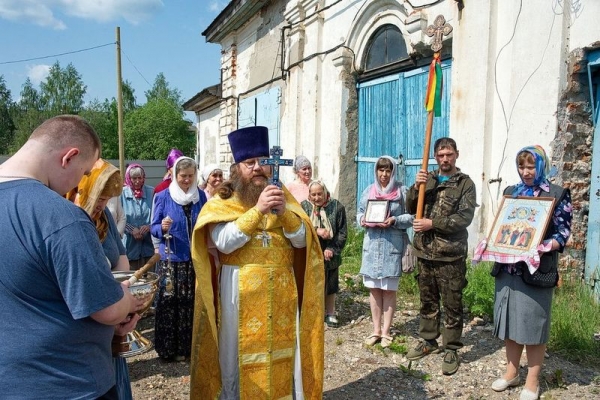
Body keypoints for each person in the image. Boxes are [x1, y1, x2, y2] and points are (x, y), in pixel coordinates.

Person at [0, 115, 145, 399]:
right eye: (84, 172)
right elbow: (106, 308)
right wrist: (126, 300)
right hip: (67, 381)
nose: (78, 184)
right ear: (69, 157)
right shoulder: (60, 216)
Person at [190, 126, 324, 399]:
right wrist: (258, 210)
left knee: (286, 354)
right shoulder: (224, 200)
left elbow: (302, 242)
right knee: (234, 355)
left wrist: (284, 214)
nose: (257, 168)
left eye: (262, 161)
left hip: (282, 294)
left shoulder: (283, 196)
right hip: (237, 294)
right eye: (249, 163)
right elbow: (224, 242)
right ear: (237, 168)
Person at [489, 146, 572, 400]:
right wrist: (492, 240)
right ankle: (511, 372)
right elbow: (503, 226)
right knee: (510, 323)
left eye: (531, 166)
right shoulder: (511, 193)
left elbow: (563, 232)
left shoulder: (556, 195)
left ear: (541, 166)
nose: (526, 172)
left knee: (534, 325)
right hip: (508, 269)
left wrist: (545, 245)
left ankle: (533, 381)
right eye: (522, 166)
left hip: (536, 271)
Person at [405, 137, 477, 375]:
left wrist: (432, 223)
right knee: (427, 301)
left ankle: (452, 347)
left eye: (449, 154)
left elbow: (464, 218)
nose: (445, 159)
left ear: (457, 154)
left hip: (450, 255)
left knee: (452, 303)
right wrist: (416, 188)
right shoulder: (429, 179)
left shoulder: (465, 184)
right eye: (441, 155)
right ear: (435, 156)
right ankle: (428, 340)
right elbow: (410, 207)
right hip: (425, 252)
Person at [69, 158, 138, 400]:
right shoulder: (67, 217)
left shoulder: (105, 217)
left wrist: (121, 287)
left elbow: (120, 257)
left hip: (112, 306)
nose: (103, 204)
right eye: (99, 196)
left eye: (107, 198)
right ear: (82, 187)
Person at [151, 156, 207, 361]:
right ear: (175, 175)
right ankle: (167, 350)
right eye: (183, 176)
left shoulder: (200, 196)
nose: (186, 180)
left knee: (190, 302)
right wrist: (162, 228)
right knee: (169, 302)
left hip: (193, 258)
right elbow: (154, 227)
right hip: (171, 259)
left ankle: (188, 349)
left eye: (191, 176)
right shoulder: (164, 196)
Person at [357, 156, 414, 348]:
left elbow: (412, 217)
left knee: (389, 290)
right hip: (372, 246)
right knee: (374, 289)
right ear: (376, 172)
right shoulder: (368, 191)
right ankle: (376, 330)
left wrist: (395, 220)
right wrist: (362, 220)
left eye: (388, 170)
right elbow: (359, 212)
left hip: (391, 246)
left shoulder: (401, 192)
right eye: (381, 170)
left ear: (393, 172)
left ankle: (387, 331)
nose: (384, 174)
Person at [301, 179, 348, 328]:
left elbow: (342, 233)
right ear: (309, 195)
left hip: (330, 253)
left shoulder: (337, 207)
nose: (316, 198)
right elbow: (300, 227)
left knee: (331, 283)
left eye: (319, 194)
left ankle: (330, 312)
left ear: (325, 192)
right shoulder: (304, 207)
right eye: (313, 194)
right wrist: (316, 231)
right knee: (311, 284)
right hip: (310, 252)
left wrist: (332, 249)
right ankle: (313, 313)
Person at [121, 163, 155, 269]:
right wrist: (131, 229)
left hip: (148, 247)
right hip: (129, 248)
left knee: (150, 279)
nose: (137, 181)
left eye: (140, 178)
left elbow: (158, 216)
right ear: (128, 178)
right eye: (134, 178)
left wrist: (149, 226)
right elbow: (117, 218)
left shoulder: (151, 192)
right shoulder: (121, 194)